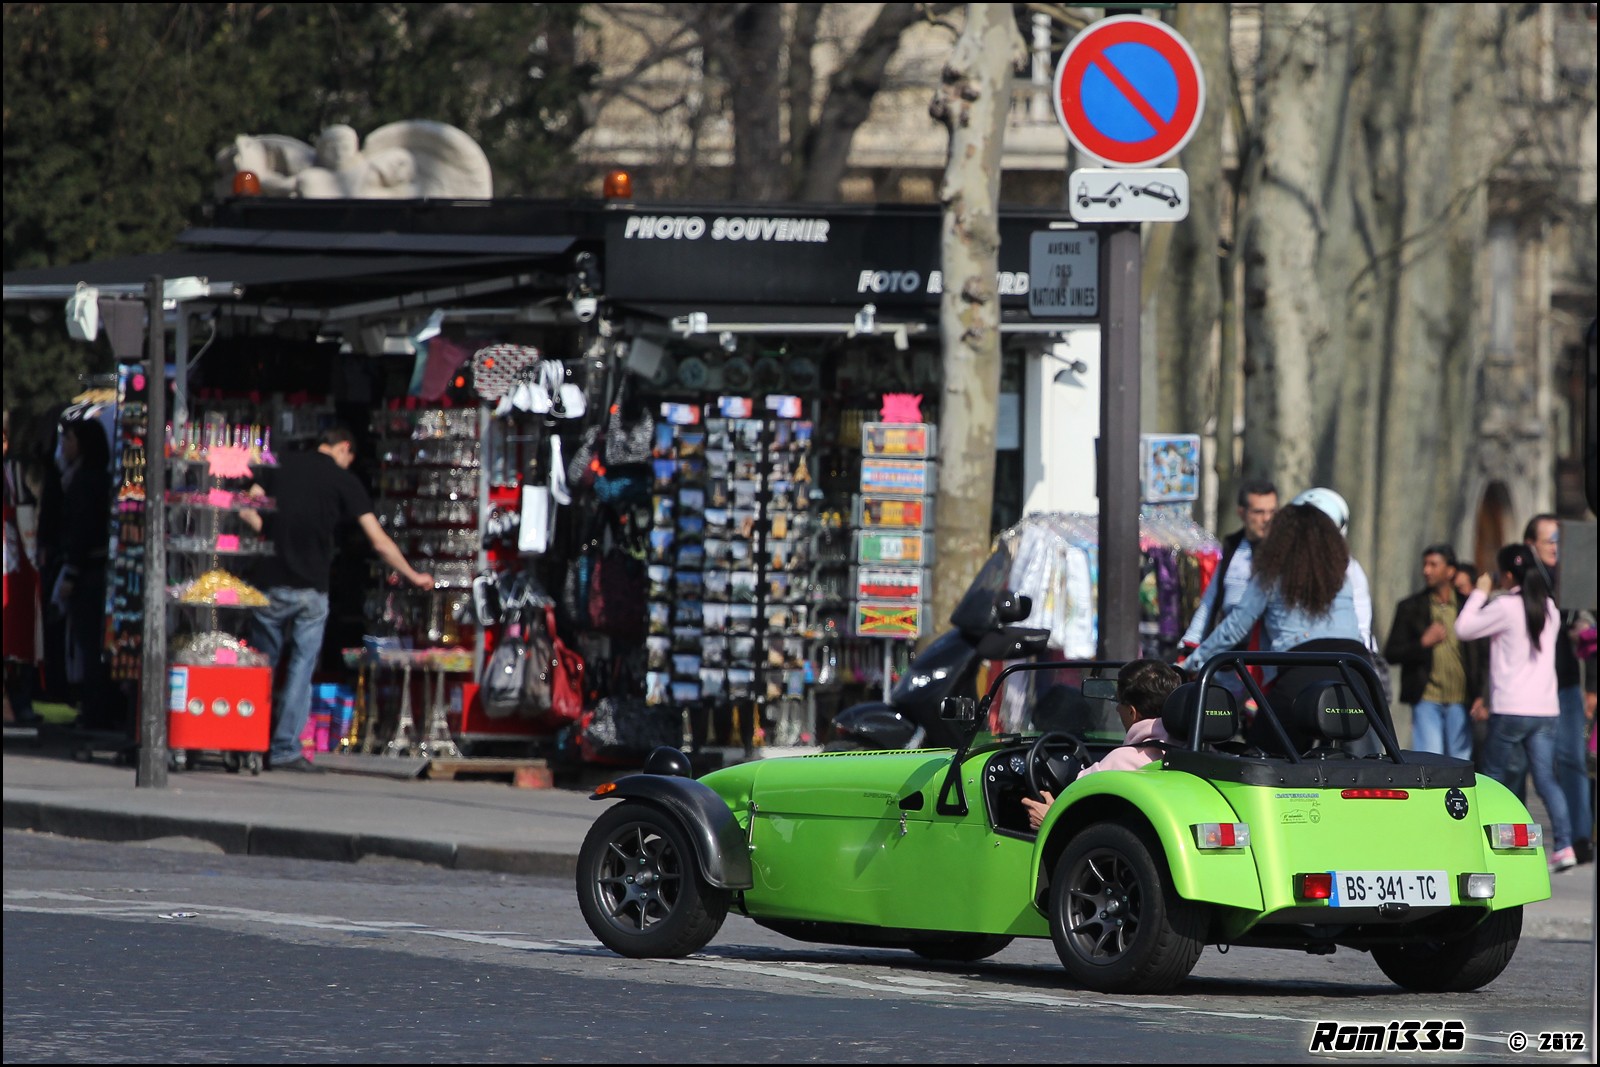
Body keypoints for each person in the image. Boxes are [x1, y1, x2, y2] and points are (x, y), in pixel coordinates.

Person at [241, 425, 433, 772]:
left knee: (260, 666)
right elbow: (379, 541)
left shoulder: (280, 463)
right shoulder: (343, 481)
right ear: (344, 448)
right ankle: (284, 748)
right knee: (301, 667)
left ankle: (246, 739)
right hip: (311, 589)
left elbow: (246, 507)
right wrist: (414, 575)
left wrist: (268, 533)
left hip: (268, 582)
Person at [1457, 542, 1575, 872]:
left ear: (1507, 574)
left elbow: (1463, 628)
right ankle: (1564, 845)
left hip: (1511, 706)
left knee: (1494, 777)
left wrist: (1480, 593)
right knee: (1545, 780)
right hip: (1545, 708)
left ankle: (1488, 841)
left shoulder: (1505, 606)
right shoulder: (1549, 607)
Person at [1022, 659, 1182, 830]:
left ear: (1132, 712)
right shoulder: (1195, 751)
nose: (1116, 709)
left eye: (1119, 702)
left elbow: (1075, 815)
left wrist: (1049, 820)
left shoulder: (1120, 762)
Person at [1524, 514, 1593, 864]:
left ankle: (1580, 838)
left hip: (1564, 683)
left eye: (1558, 540)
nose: (1555, 546)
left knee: (1572, 760)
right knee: (1526, 765)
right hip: (1529, 687)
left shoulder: (1570, 579)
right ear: (1530, 545)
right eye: (1548, 540)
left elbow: (1586, 629)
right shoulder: (1525, 581)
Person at [1383, 544, 1487, 760]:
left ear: (1450, 571)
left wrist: (1482, 695)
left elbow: (1483, 655)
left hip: (1461, 700)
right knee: (1430, 761)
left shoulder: (1466, 608)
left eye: (1433, 565)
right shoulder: (1411, 607)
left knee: (1460, 761)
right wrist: (1422, 643)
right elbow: (1391, 653)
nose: (1426, 571)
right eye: (1425, 565)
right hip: (1426, 699)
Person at [1180, 478, 1277, 653]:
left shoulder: (1283, 552)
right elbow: (1210, 599)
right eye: (1259, 512)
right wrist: (1190, 642)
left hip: (1265, 654)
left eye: (1272, 512)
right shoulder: (1233, 547)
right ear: (1242, 513)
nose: (1267, 519)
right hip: (1227, 652)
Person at [3, 410, 42, 725]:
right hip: (12, 555)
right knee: (16, 629)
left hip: (11, 555)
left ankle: (17, 699)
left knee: (16, 630)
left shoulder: (12, 468)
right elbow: (24, 510)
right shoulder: (13, 468)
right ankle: (17, 700)